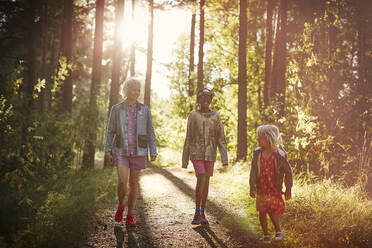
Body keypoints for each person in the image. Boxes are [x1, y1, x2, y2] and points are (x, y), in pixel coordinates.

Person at [104, 78, 157, 226]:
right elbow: (110, 131)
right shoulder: (116, 109)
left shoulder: (145, 110)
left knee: (134, 183)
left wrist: (153, 150)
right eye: (133, 89)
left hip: (139, 151)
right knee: (122, 182)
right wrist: (108, 150)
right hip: (121, 150)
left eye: (138, 90)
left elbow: (150, 131)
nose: (136, 92)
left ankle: (130, 215)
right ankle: (121, 204)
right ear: (126, 90)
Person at [182, 88, 228, 225]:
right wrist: (185, 159)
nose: (206, 100)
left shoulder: (216, 116)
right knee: (201, 177)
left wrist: (224, 159)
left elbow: (221, 137)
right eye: (203, 97)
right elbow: (188, 136)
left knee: (206, 181)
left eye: (209, 98)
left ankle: (203, 211)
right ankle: (196, 211)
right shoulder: (193, 115)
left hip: (210, 153)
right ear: (198, 100)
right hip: (196, 152)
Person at [249, 124, 293, 243]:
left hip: (274, 188)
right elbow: (253, 171)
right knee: (262, 211)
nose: (258, 140)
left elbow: (288, 173)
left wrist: (288, 189)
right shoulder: (257, 153)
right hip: (261, 188)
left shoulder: (280, 155)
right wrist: (252, 186)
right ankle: (266, 235)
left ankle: (278, 231)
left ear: (269, 139)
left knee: (273, 210)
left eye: (260, 137)